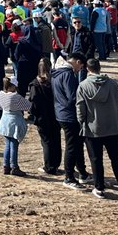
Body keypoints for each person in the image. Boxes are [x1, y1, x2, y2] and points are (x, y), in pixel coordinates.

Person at [75, 57, 118, 201]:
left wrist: (83, 123)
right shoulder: (113, 84)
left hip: (93, 129)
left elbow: (80, 109)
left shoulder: (83, 86)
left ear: (87, 69)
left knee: (96, 160)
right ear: (100, 68)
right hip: (112, 128)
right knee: (117, 160)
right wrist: (115, 116)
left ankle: (99, 188)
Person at [51, 53, 89, 189]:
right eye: (81, 67)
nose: (79, 70)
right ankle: (69, 177)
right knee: (72, 146)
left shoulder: (57, 72)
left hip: (61, 112)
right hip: (69, 115)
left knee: (77, 144)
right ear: (78, 62)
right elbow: (73, 96)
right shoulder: (67, 74)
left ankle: (82, 172)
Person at [27, 57, 61, 175]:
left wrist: (32, 114)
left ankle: (49, 166)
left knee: (46, 142)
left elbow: (33, 101)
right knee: (56, 139)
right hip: (56, 115)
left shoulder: (35, 84)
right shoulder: (55, 81)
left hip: (42, 117)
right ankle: (56, 163)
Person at [0, 79, 30, 177]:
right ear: (13, 86)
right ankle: (14, 166)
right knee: (14, 145)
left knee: (7, 144)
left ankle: (6, 166)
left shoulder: (0, 94)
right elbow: (28, 106)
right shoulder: (16, 97)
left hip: (5, 121)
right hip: (15, 122)